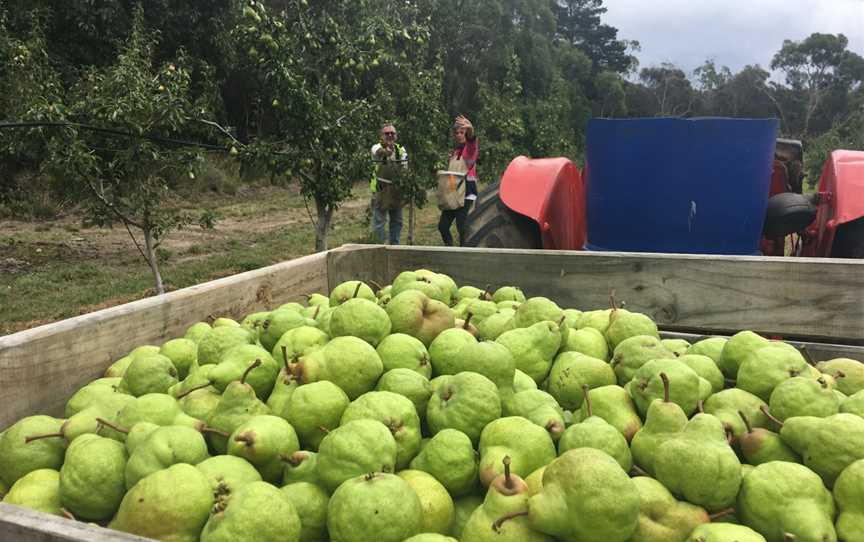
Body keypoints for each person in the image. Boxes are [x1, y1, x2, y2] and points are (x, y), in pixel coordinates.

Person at [438, 115, 479, 246]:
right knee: (443, 226)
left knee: (462, 227)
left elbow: (472, 143)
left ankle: (464, 253)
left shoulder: (469, 151)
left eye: (462, 132)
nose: (459, 135)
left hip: (466, 194)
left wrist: (471, 131)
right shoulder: (454, 152)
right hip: (453, 192)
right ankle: (450, 250)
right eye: (457, 133)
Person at [370, 122, 408, 245]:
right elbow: (379, 152)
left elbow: (405, 167)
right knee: (380, 222)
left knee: (397, 221)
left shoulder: (400, 149)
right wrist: (386, 151)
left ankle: (395, 247)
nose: (390, 135)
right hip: (381, 189)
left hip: (396, 189)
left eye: (392, 133)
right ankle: (380, 248)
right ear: (381, 135)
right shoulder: (376, 147)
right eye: (387, 133)